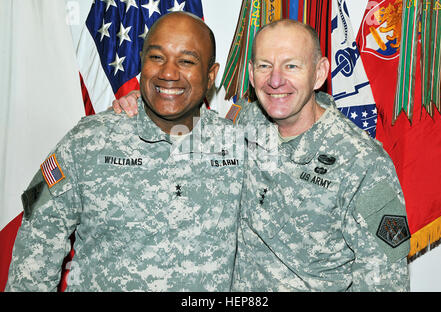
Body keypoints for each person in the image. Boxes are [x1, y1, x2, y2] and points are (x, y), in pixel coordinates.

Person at [113, 19, 411, 292]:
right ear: (252, 75)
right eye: (265, 66)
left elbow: (386, 280)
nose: (276, 80)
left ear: (319, 73)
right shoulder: (241, 122)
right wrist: (147, 102)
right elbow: (184, 128)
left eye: (292, 66)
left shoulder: (364, 163)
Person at [6, 12, 244, 292]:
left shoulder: (240, 149)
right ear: (142, 61)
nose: (168, 72)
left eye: (187, 61)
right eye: (156, 57)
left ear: (211, 75)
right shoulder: (88, 141)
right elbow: (37, 242)